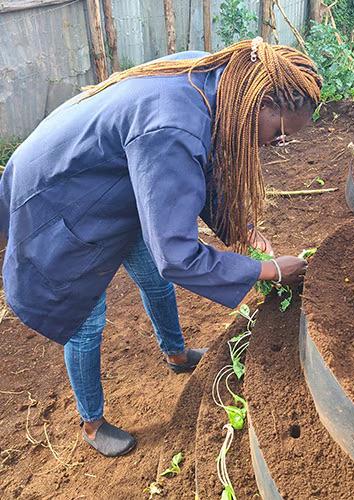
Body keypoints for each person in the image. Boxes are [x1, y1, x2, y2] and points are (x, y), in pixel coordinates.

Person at [0, 38, 321, 457]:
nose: (278, 144)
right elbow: (179, 255)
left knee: (152, 275)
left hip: (121, 182)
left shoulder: (215, 80)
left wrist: (241, 229)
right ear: (258, 101)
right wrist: (270, 270)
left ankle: (174, 352)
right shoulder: (174, 124)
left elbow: (202, 168)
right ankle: (92, 423)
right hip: (62, 197)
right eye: (279, 132)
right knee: (84, 317)